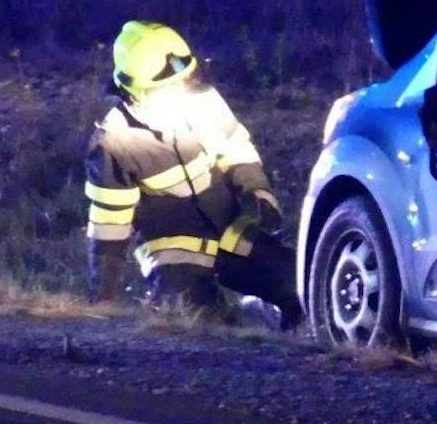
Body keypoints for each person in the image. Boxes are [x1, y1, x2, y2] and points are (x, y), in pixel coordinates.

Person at [85, 21, 302, 326]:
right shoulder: (114, 143)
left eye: (182, 80)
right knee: (199, 327)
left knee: (302, 286)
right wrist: (104, 304)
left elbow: (237, 149)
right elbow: (108, 232)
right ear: (134, 90)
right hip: (175, 257)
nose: (179, 90)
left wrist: (259, 194)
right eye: (166, 87)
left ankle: (275, 324)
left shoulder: (203, 100)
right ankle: (240, 317)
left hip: (233, 235)